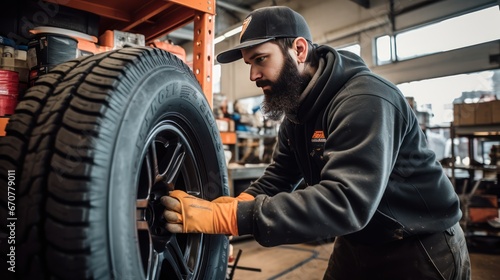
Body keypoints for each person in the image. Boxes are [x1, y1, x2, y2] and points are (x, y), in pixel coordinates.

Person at [162, 6, 471, 279]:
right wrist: (237, 204)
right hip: (359, 240)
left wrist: (232, 219)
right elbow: (281, 176)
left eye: (260, 59)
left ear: (299, 49)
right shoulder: (299, 111)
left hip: (418, 246)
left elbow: (345, 201)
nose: (254, 74)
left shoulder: (364, 100)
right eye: (248, 64)